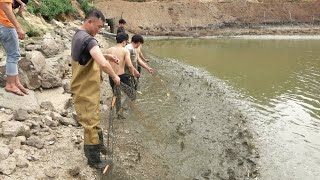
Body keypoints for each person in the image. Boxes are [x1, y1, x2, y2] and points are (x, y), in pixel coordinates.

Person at [70, 9, 120, 172]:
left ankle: (99, 146)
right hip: (85, 89)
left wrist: (106, 55)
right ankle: (94, 160)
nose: (99, 30)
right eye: (98, 27)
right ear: (89, 22)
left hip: (85, 88)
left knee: (94, 119)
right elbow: (103, 65)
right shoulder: (88, 40)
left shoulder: (79, 35)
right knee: (91, 124)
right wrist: (115, 77)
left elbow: (90, 56)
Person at [0, 0, 28, 96]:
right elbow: (5, 5)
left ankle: (16, 82)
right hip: (4, 23)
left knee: (12, 55)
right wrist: (18, 27)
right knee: (13, 55)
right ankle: (11, 84)